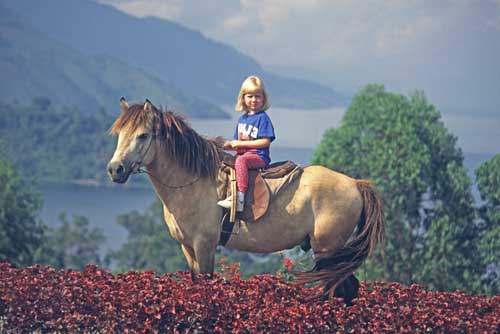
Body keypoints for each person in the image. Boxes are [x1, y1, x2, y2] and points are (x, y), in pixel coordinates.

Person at [217, 75, 275, 212]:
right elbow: (240, 145)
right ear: (243, 98)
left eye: (257, 96)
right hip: (244, 155)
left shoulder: (263, 118)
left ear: (263, 98)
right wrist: (229, 145)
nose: (254, 100)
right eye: (250, 96)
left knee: (241, 161)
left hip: (258, 157)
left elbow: (266, 142)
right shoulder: (242, 119)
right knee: (224, 162)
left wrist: (241, 145)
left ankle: (239, 198)